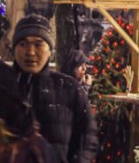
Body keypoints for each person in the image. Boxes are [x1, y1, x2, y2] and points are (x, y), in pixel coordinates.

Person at [12, 15, 98, 163]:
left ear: (50, 50)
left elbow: (87, 138)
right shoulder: (1, 87)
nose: (30, 51)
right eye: (23, 44)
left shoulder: (70, 89)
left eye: (38, 44)